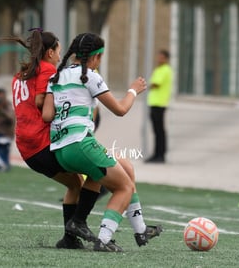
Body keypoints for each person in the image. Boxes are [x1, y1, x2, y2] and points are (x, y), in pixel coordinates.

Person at [43, 32, 162, 252]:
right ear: (96, 57)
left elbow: (47, 115)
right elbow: (120, 110)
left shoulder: (56, 78)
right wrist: (133, 90)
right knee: (124, 187)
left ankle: (141, 230)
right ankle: (104, 240)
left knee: (125, 166)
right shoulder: (90, 76)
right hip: (80, 144)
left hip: (60, 150)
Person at [6, 29, 100, 249]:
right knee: (94, 174)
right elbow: (41, 102)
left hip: (26, 147)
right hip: (41, 144)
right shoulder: (47, 69)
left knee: (76, 183)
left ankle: (69, 237)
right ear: (49, 52)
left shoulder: (20, 75)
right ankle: (77, 227)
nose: (60, 56)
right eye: (58, 50)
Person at [145, 50, 173, 163]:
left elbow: (156, 84)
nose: (159, 59)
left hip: (159, 103)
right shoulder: (159, 69)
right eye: (158, 57)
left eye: (161, 57)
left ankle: (160, 155)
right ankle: (157, 154)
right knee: (156, 130)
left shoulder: (165, 70)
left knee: (159, 131)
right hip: (154, 102)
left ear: (166, 59)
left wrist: (147, 84)